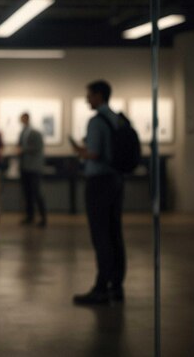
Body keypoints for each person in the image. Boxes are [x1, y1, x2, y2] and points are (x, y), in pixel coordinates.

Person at [71, 80, 126, 305]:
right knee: (115, 233)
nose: (87, 99)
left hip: (98, 182)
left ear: (100, 95)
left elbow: (93, 154)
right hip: (116, 180)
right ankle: (117, 286)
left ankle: (101, 288)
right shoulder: (116, 118)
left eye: (90, 95)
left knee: (100, 235)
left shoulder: (96, 121)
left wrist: (80, 151)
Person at [17, 112, 47, 227]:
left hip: (34, 167)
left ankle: (43, 218)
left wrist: (23, 150)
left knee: (37, 192)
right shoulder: (23, 132)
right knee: (27, 193)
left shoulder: (35, 132)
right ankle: (30, 216)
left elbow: (38, 147)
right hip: (25, 167)